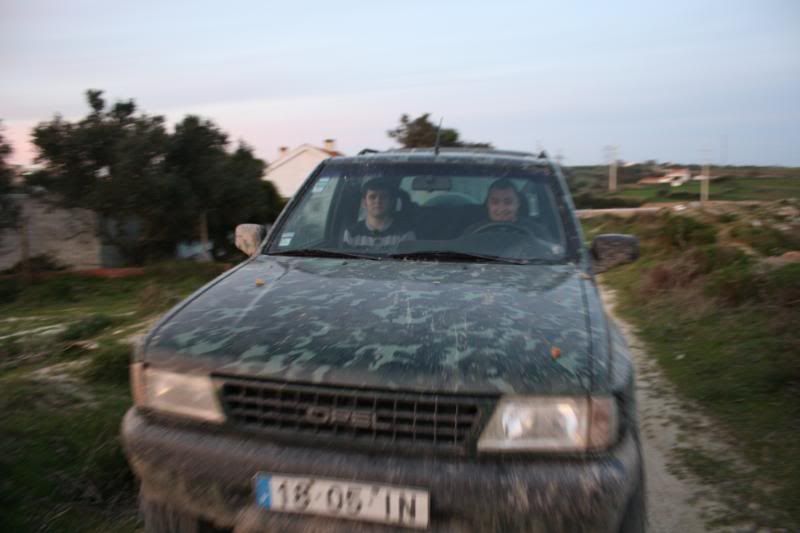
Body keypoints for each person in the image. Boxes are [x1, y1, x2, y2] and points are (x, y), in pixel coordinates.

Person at [343, 178, 415, 247]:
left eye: (383, 197)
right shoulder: (351, 234)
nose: (378, 201)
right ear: (364, 203)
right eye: (372, 197)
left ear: (391, 202)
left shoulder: (405, 234)